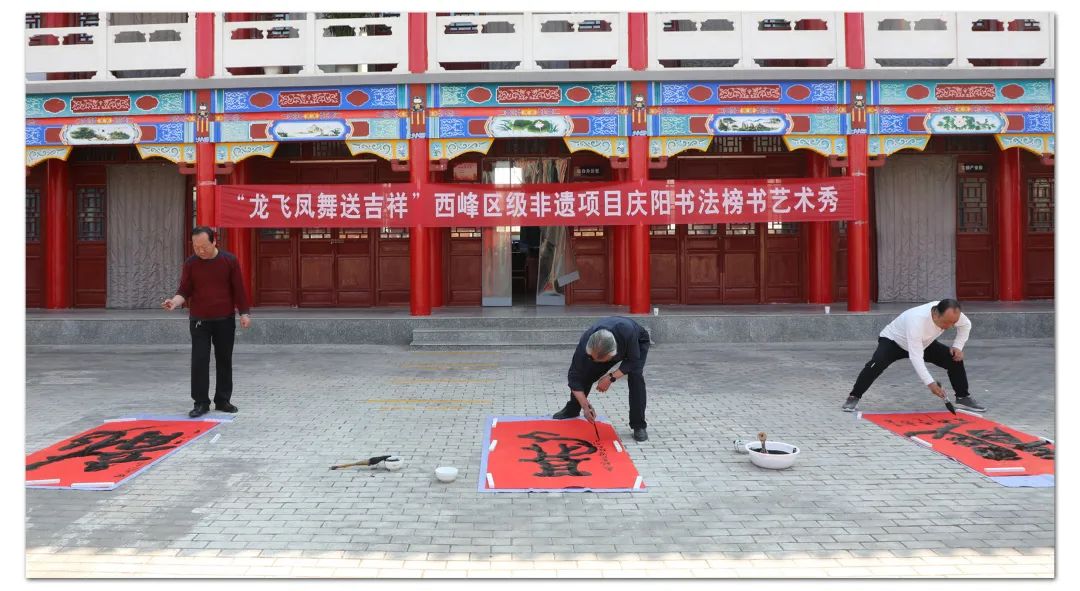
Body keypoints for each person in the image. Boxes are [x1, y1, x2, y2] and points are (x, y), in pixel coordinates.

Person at [162, 227, 251, 418]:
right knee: (199, 361)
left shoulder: (229, 261)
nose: (200, 251)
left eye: (204, 246)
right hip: (199, 321)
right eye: (196, 247)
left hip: (224, 319)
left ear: (214, 242)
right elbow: (184, 290)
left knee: (224, 360)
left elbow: (238, 289)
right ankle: (201, 402)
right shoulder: (191, 263)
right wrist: (174, 302)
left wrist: (244, 313)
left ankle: (223, 400)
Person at [842, 299, 986, 413]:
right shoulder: (917, 319)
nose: (949, 327)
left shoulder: (952, 313)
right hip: (894, 341)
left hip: (924, 342)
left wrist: (958, 346)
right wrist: (930, 383)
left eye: (953, 323)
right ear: (936, 314)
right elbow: (916, 357)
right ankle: (854, 396)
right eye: (946, 323)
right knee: (876, 364)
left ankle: (962, 397)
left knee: (954, 358)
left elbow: (966, 325)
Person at [552, 316, 652, 442]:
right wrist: (585, 406)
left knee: (636, 376)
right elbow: (574, 377)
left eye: (602, 361)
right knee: (586, 372)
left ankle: (639, 425)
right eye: (592, 358)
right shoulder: (585, 344)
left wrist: (611, 377)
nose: (596, 362)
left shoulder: (627, 332)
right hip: (605, 348)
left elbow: (633, 361)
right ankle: (573, 408)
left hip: (637, 342)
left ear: (613, 355)